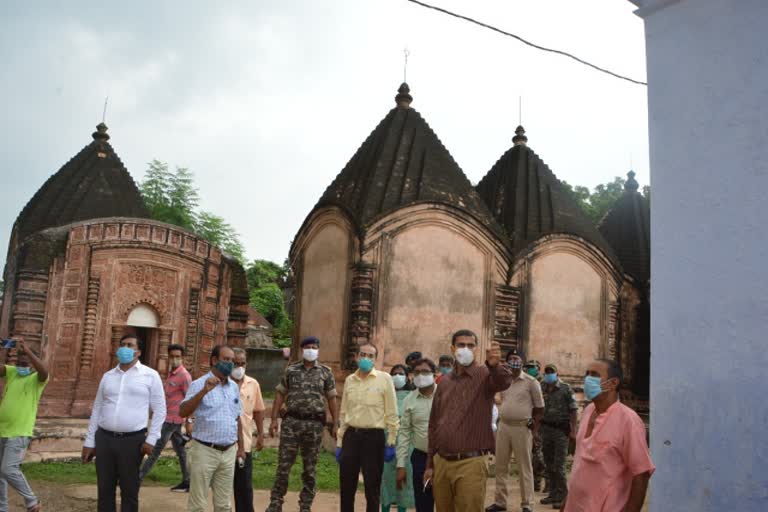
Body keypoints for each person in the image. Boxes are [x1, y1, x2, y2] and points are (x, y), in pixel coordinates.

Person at [425, 330, 512, 512]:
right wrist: (430, 464)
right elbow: (434, 423)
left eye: (470, 345)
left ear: (476, 349)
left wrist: (495, 365)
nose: (465, 349)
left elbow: (503, 381)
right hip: (441, 462)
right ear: (452, 348)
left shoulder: (485, 374)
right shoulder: (444, 382)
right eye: (461, 345)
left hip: (470, 463)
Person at [82, 334, 166, 512]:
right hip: (104, 439)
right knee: (104, 488)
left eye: (130, 345)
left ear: (138, 352)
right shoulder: (108, 376)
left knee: (129, 490)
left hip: (132, 441)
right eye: (122, 345)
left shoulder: (151, 376)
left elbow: (160, 409)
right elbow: (97, 408)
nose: (124, 349)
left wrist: (152, 439)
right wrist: (89, 441)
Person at [560, 359, 654, 512]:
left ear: (613, 383)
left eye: (594, 375)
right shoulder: (588, 411)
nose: (587, 380)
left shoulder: (628, 421)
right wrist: (567, 500)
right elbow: (581, 464)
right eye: (586, 374)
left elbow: (641, 473)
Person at [266, 337, 338, 512]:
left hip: (314, 426)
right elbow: (280, 395)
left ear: (318, 350)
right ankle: (276, 503)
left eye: (314, 347)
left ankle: (305, 506)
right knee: (283, 465)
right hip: (292, 423)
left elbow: (331, 398)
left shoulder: (325, 372)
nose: (311, 350)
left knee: (310, 468)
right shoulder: (291, 370)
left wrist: (335, 423)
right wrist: (274, 419)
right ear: (302, 349)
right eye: (308, 347)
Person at [179, 345, 244, 512]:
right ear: (214, 360)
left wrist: (241, 448)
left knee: (224, 505)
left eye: (232, 361)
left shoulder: (234, 387)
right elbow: (183, 411)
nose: (230, 364)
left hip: (228, 451)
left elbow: (237, 418)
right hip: (204, 450)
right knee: (198, 504)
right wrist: (203, 392)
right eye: (226, 359)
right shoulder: (198, 384)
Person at [337, 343, 399, 512]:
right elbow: (344, 413)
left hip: (374, 437)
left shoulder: (384, 379)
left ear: (375, 360)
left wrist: (391, 441)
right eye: (363, 354)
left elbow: (392, 413)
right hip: (351, 436)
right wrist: (340, 441)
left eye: (370, 356)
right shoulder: (350, 380)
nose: (366, 358)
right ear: (356, 357)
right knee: (347, 485)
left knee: (372, 486)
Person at [487, 351, 544, 512]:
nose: (514, 363)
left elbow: (540, 408)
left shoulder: (531, 382)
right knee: (500, 466)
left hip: (522, 427)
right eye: (511, 360)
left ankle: (527, 504)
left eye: (517, 360)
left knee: (524, 467)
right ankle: (500, 502)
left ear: (522, 363)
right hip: (504, 426)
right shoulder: (504, 380)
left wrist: (535, 430)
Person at [0, 337, 48, 512]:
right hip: (2, 430)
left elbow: (44, 371)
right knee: (0, 474)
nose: (21, 365)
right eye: (19, 361)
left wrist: (27, 349)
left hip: (19, 432)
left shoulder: (37, 378)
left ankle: (32, 501)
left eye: (25, 361)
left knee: (8, 469)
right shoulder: (12, 372)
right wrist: (4, 346)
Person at [139, 343, 193, 492]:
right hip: (169, 418)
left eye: (178, 357)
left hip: (172, 419)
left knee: (154, 449)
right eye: (172, 356)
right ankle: (187, 480)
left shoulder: (184, 376)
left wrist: (189, 421)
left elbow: (190, 399)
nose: (175, 359)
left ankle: (138, 478)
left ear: (183, 358)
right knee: (181, 451)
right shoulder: (172, 373)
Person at [396, 358, 437, 512]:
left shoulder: (445, 394)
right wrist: (401, 465)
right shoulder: (409, 400)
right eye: (417, 372)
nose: (421, 375)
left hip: (445, 457)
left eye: (425, 372)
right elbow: (404, 433)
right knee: (423, 504)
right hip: (421, 458)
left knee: (447, 502)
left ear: (434, 374)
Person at [231, 347, 265, 512]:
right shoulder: (222, 383)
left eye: (242, 363)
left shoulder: (253, 384)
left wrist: (260, 435)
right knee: (223, 486)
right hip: (225, 444)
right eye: (235, 363)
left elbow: (258, 411)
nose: (239, 367)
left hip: (245, 445)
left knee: (244, 486)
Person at [539, 363, 577, 509]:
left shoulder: (566, 388)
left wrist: (573, 431)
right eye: (547, 372)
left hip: (561, 431)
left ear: (557, 373)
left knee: (559, 465)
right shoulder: (541, 387)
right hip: (546, 430)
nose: (549, 374)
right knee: (548, 464)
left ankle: (563, 496)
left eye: (552, 372)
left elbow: (573, 410)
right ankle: (553, 493)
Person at [381, 364, 415, 512]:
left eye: (401, 373)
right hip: (386, 443)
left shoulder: (413, 396)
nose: (397, 376)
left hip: (407, 445)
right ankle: (385, 508)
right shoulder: (385, 395)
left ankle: (402, 509)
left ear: (407, 377)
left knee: (404, 481)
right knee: (386, 480)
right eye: (394, 373)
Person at [523, 359, 546, 493]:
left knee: (539, 455)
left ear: (538, 368)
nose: (530, 369)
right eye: (528, 367)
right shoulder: (526, 381)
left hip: (541, 423)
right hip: (529, 422)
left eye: (532, 367)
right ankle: (534, 482)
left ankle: (544, 482)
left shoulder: (543, 383)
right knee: (532, 453)